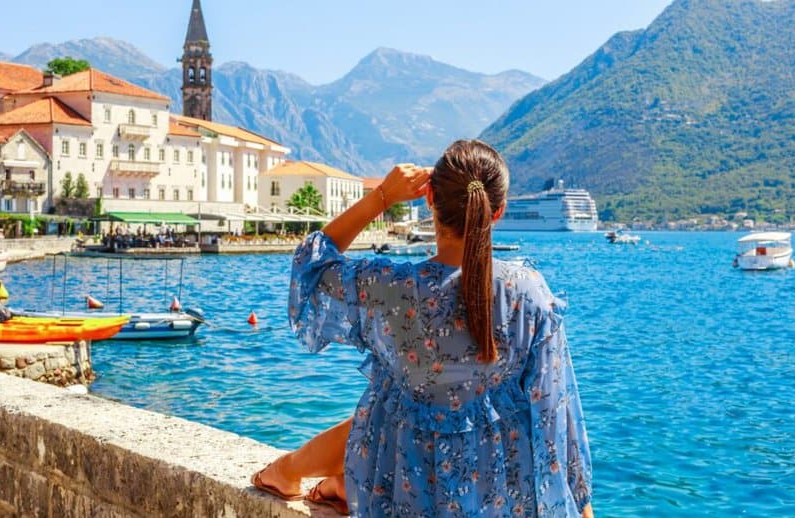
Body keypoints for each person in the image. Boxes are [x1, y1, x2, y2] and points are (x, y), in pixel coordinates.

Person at [253, 140, 593, 517]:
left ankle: (334, 479)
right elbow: (555, 412)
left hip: (400, 487)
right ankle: (335, 480)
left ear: (428, 198)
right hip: (498, 497)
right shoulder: (527, 294)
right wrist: (582, 506)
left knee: (397, 395)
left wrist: (382, 197)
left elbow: (311, 267)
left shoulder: (391, 287)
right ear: (497, 213)